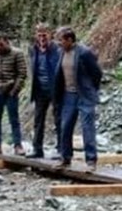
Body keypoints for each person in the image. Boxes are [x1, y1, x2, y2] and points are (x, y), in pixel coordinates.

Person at [53, 26, 103, 171]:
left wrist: (91, 89)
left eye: (61, 40)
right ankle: (65, 158)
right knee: (65, 126)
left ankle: (91, 161)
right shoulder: (61, 53)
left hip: (84, 95)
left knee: (87, 127)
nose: (59, 43)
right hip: (68, 95)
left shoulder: (84, 52)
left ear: (70, 40)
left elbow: (97, 73)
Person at [0, 31, 27, 156]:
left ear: (7, 42)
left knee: (14, 119)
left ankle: (18, 145)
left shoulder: (17, 53)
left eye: (0, 44)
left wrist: (15, 90)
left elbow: (22, 74)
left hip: (10, 91)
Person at [28, 23, 61, 159]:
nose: (42, 38)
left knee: (59, 120)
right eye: (39, 35)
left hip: (55, 89)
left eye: (44, 35)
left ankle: (61, 149)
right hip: (40, 89)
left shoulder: (57, 49)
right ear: (36, 36)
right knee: (38, 120)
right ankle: (37, 149)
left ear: (50, 34)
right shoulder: (33, 49)